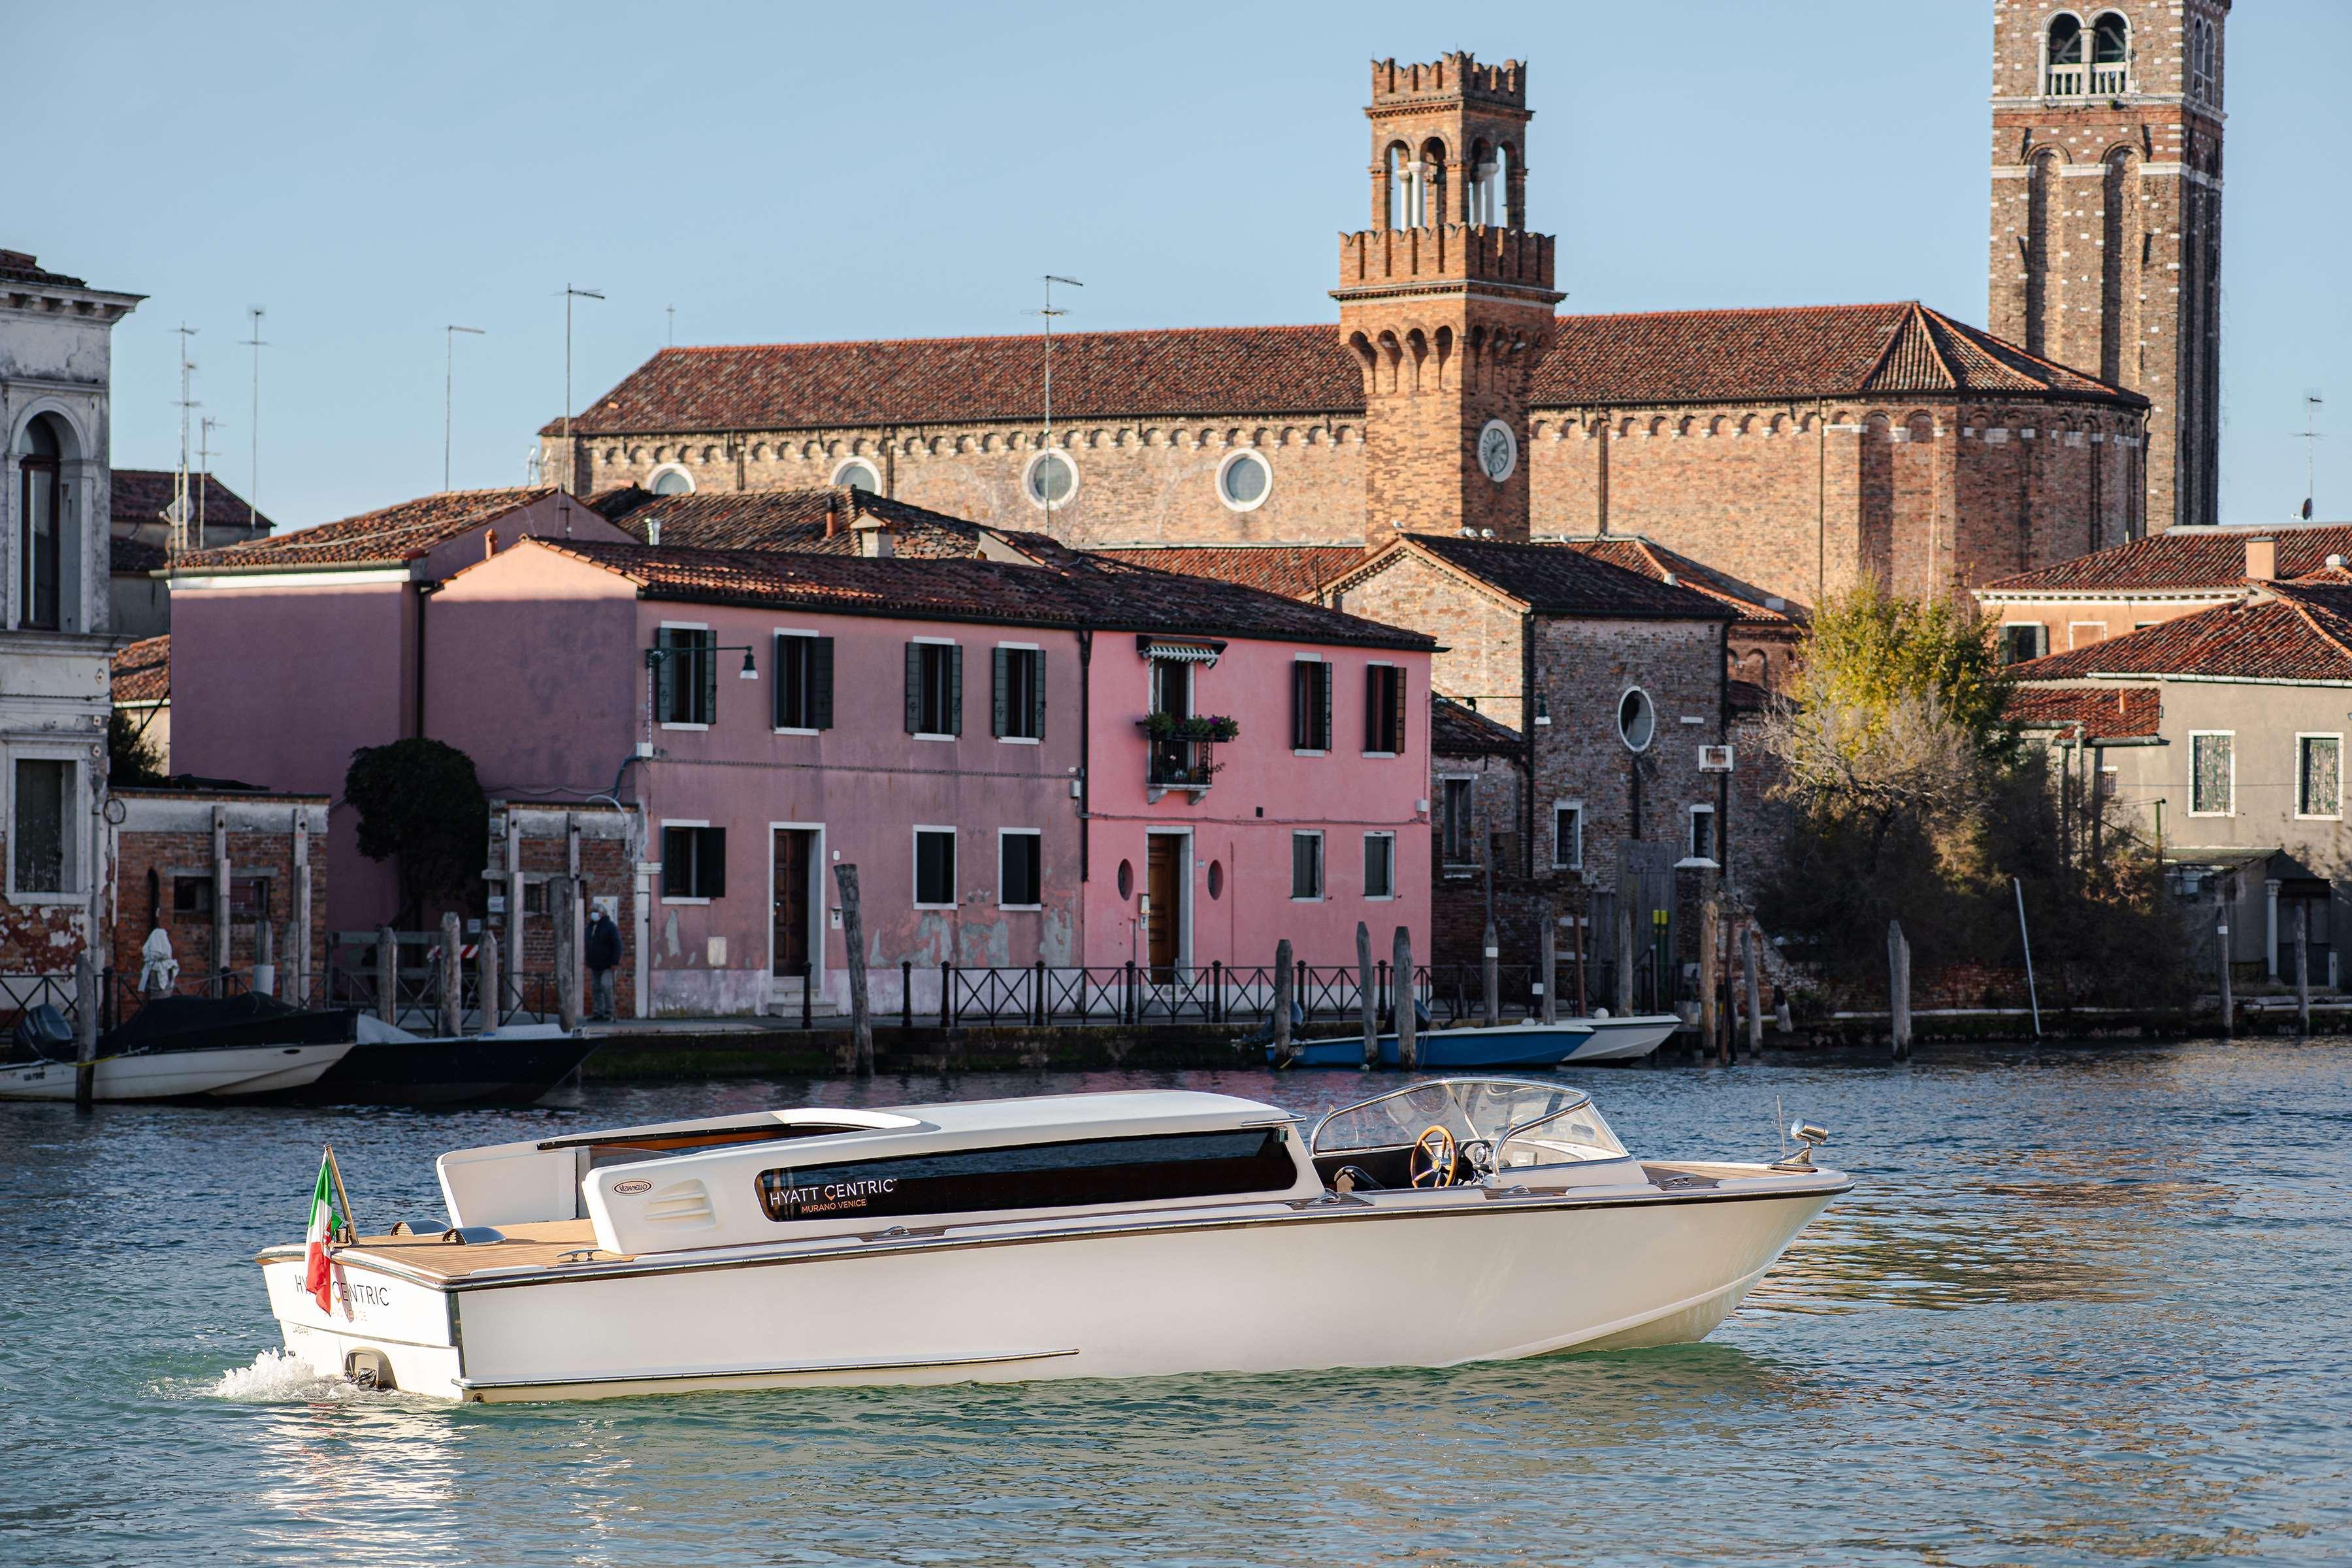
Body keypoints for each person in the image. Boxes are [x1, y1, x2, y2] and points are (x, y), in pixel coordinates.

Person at [585, 906, 622, 1022]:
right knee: (596, 988)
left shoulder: (610, 927)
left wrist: (615, 962)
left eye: (596, 912)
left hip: (607, 963)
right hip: (595, 963)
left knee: (606, 986)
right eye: (592, 912)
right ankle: (598, 1012)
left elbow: (618, 945)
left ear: (602, 914)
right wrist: (588, 960)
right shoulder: (590, 927)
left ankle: (609, 1013)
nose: (593, 914)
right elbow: (589, 945)